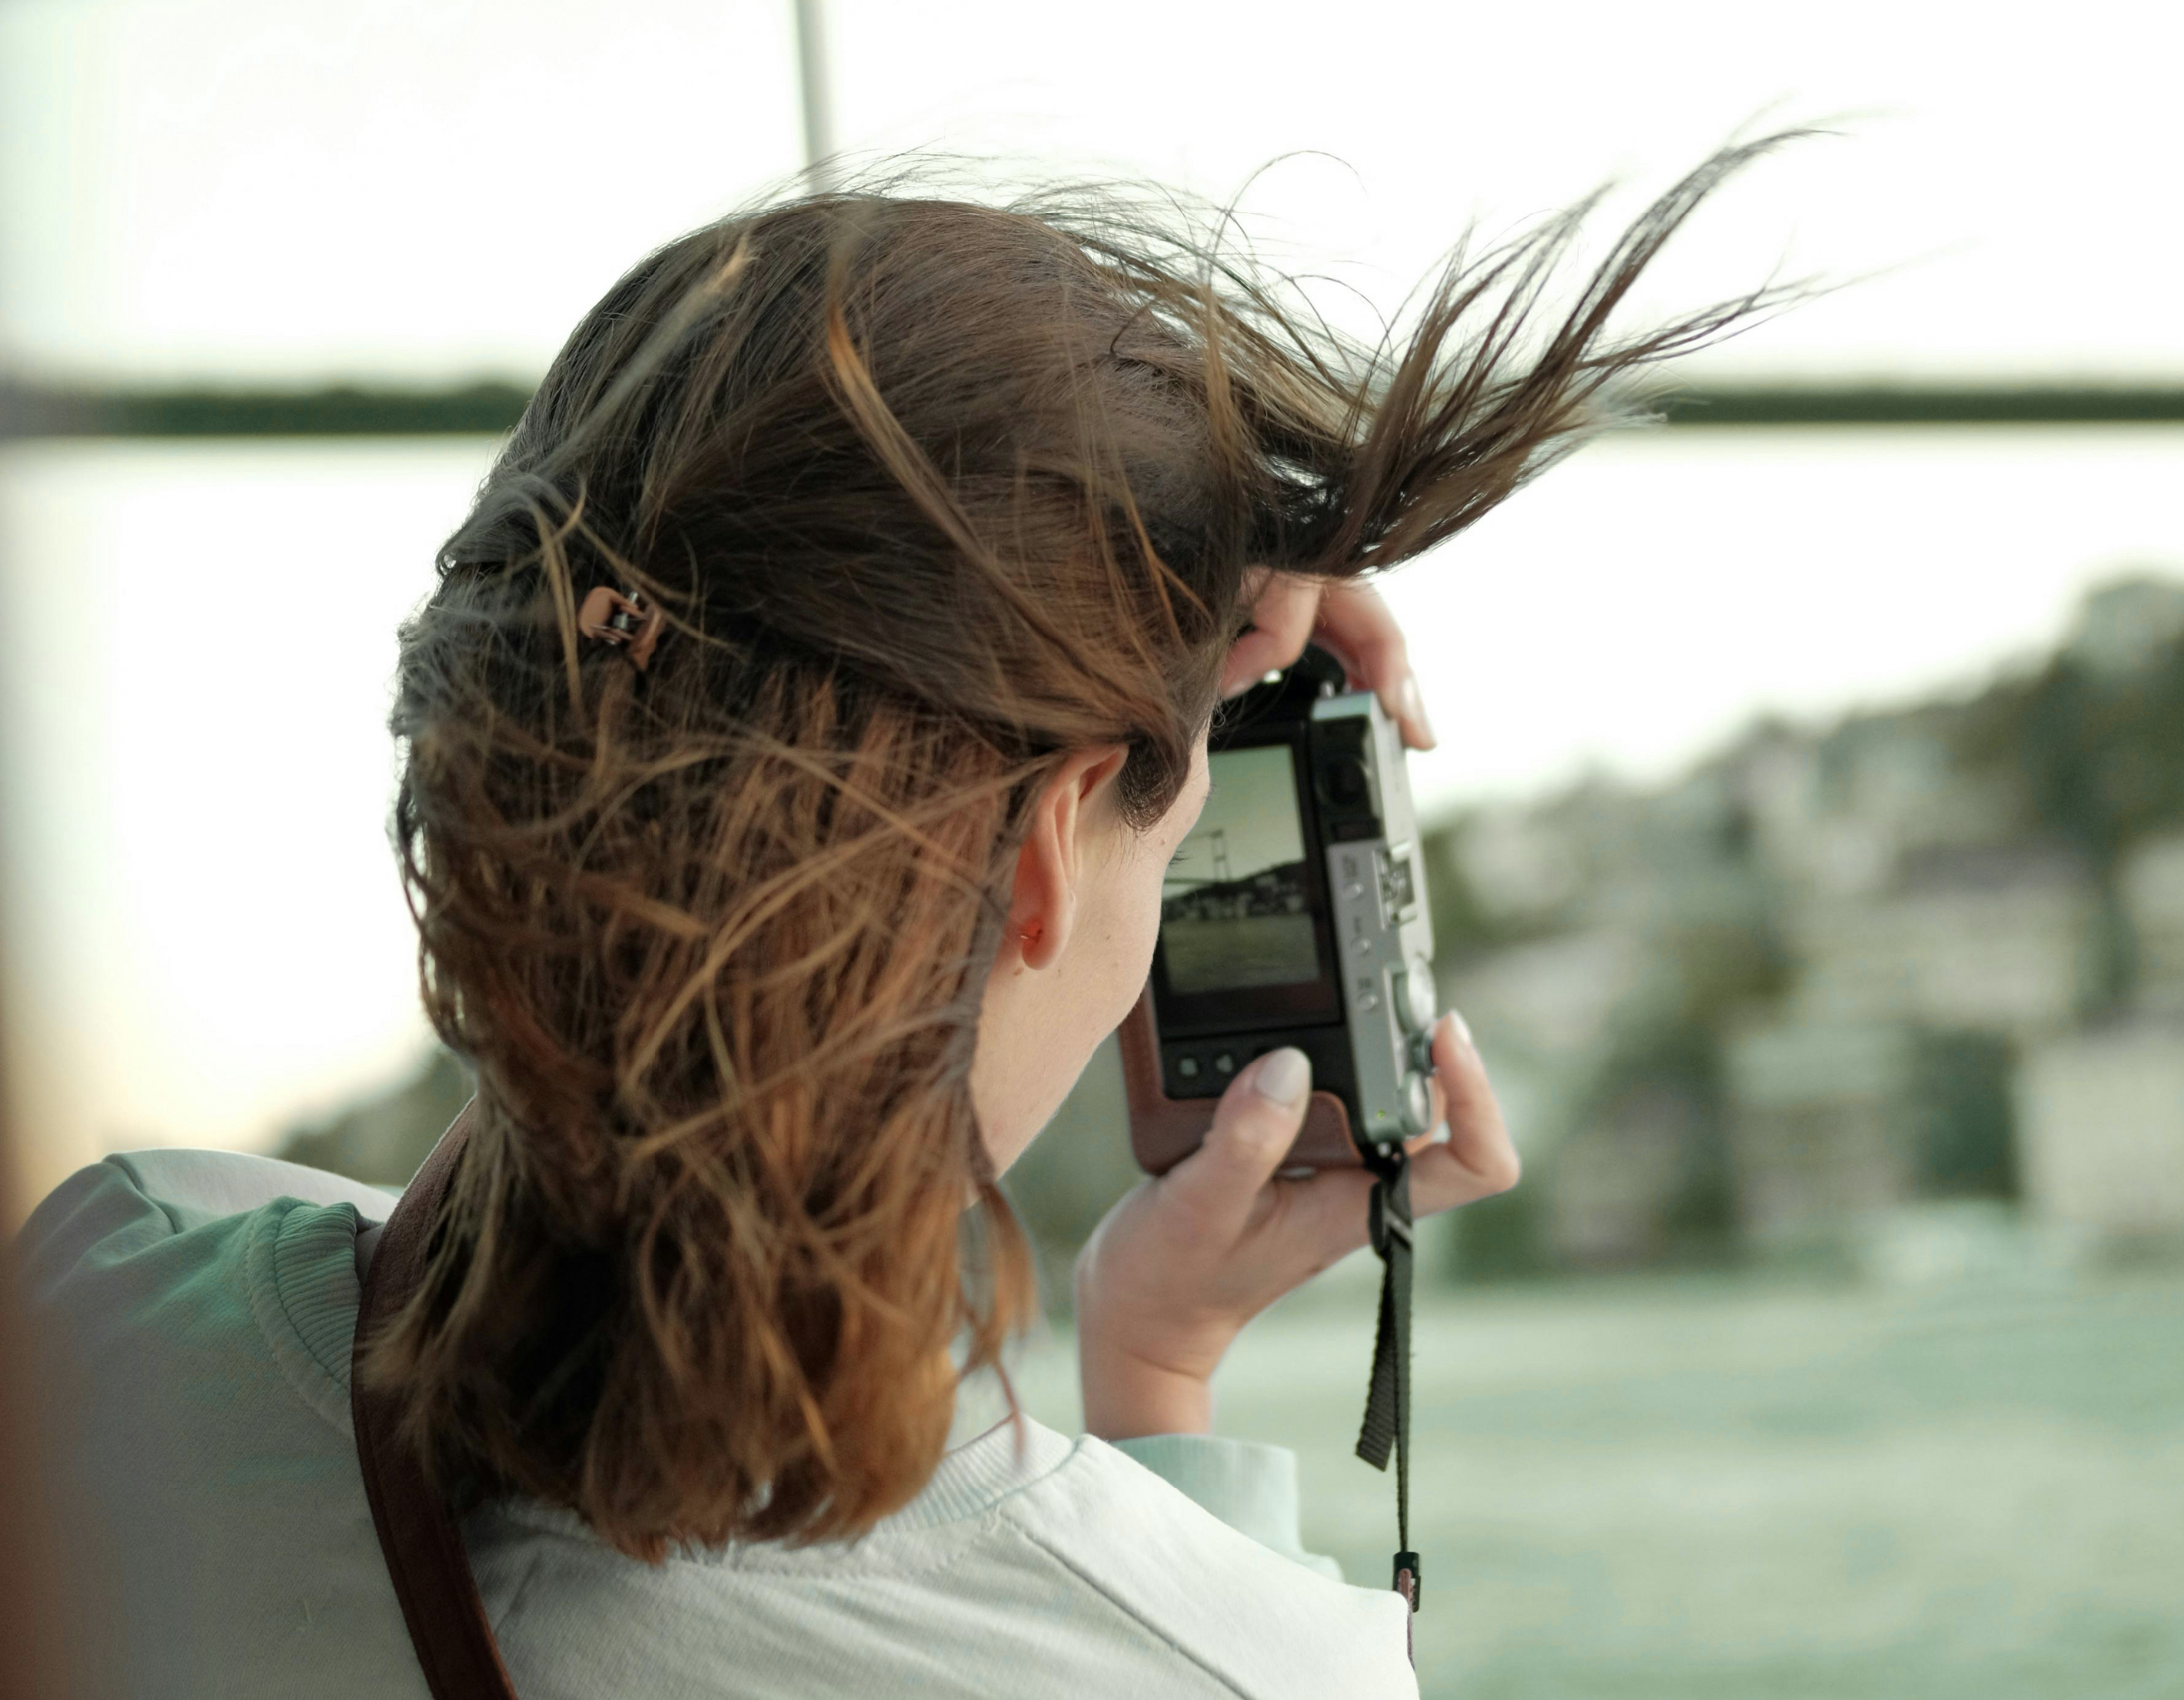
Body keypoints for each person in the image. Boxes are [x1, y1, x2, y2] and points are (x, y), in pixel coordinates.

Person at [19, 152, 1785, 1698]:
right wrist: (1154, 1390)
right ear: (1038, 859)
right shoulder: (1230, 1670)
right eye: (1160, 821)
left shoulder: (102, 1302)